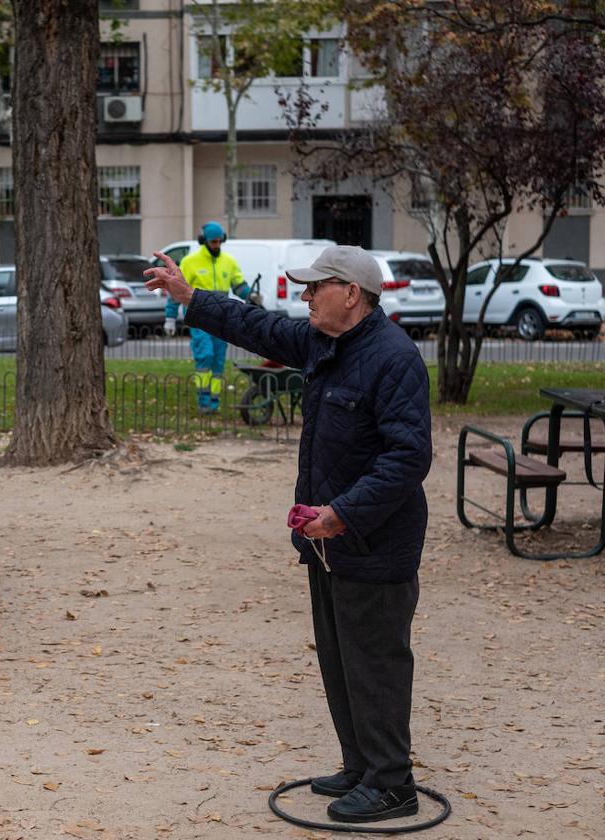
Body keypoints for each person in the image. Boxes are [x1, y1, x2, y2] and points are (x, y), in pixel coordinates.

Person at [146, 245, 431, 824]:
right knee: (340, 659)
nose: (303, 297)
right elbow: (259, 326)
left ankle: (391, 781)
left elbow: (407, 458)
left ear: (351, 293)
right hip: (329, 543)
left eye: (314, 287)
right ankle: (361, 765)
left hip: (372, 543)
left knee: (375, 661)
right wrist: (190, 298)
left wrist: (343, 513)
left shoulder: (393, 357)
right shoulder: (324, 342)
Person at [163, 221, 255, 412]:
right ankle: (203, 400)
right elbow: (176, 289)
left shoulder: (229, 262)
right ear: (203, 241)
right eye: (213, 242)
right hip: (198, 318)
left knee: (218, 360)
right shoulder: (190, 262)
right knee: (205, 356)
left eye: (219, 242)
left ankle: (214, 401)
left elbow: (238, 286)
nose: (217, 245)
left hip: (222, 318)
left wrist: (251, 296)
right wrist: (170, 317)